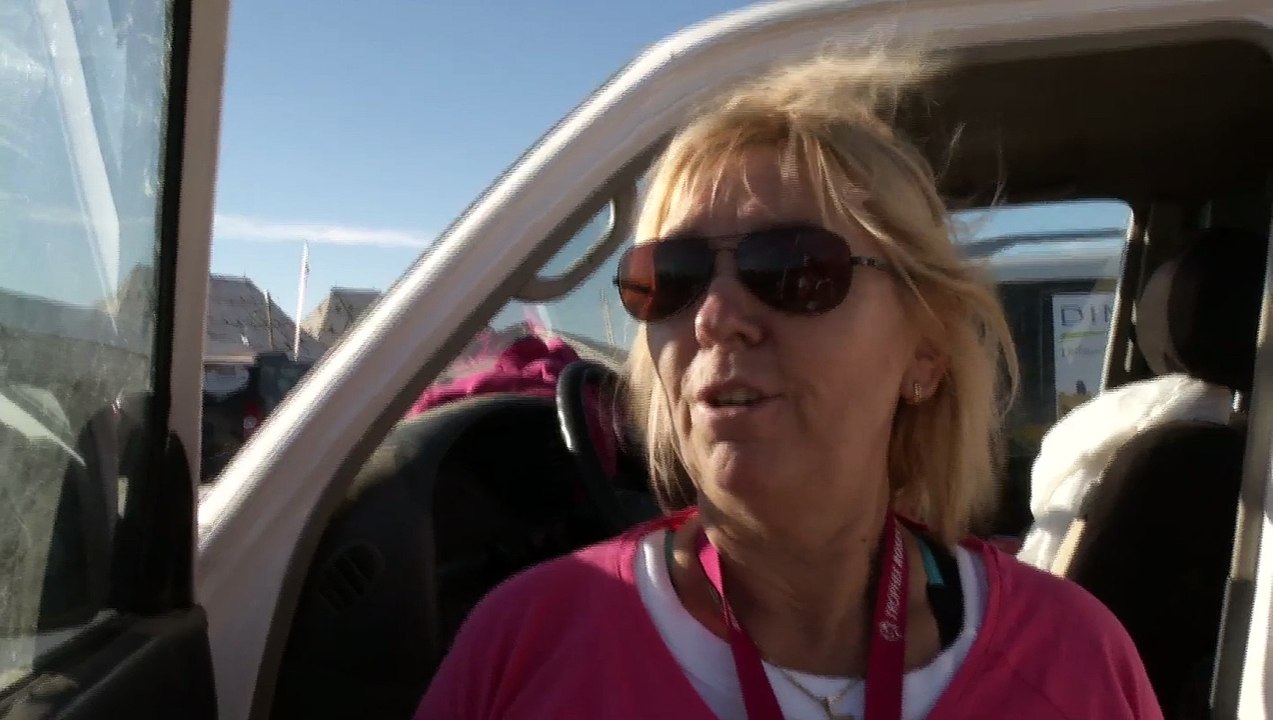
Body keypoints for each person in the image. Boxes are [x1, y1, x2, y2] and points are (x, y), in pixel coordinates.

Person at [415, 48, 1162, 720]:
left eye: (794, 270)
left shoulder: (1073, 660)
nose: (713, 317)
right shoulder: (525, 644)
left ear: (925, 353)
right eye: (667, 280)